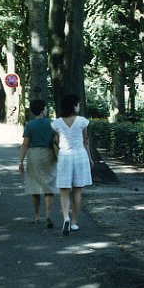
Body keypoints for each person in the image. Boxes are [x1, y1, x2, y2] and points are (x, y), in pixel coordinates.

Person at [51, 93, 94, 235]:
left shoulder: (57, 123)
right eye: (78, 104)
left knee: (64, 190)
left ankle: (66, 218)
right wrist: (90, 158)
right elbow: (85, 141)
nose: (79, 106)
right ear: (74, 105)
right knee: (77, 190)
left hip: (65, 155)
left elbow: (56, 140)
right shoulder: (82, 121)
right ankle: (74, 222)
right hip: (80, 155)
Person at [18, 99, 57, 227]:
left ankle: (36, 215)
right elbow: (57, 140)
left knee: (34, 186)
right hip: (49, 154)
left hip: (34, 155)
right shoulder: (51, 124)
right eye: (45, 108)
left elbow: (25, 144)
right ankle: (49, 215)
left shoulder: (29, 125)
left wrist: (21, 162)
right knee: (49, 186)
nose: (46, 109)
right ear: (42, 110)